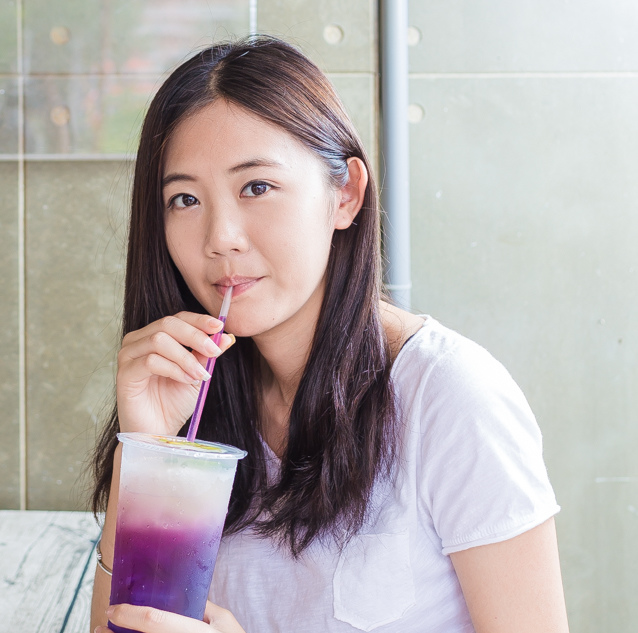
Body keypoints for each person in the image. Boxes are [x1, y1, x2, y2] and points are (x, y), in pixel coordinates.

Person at [89, 36, 569, 633]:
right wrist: (148, 452)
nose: (221, 237)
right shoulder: (197, 399)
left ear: (345, 194)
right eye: (184, 199)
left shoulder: (451, 398)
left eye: (256, 187)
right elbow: (127, 625)